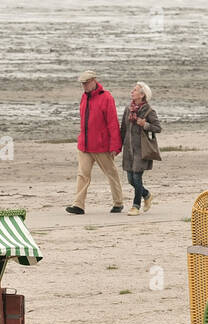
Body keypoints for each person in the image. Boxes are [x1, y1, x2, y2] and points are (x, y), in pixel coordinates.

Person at [66, 70, 125, 215]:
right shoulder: (84, 97)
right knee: (82, 175)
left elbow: (112, 123)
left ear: (93, 81)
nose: (84, 86)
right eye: (82, 84)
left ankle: (118, 202)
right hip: (84, 145)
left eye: (86, 83)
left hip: (102, 146)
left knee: (111, 173)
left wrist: (115, 146)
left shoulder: (106, 97)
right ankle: (78, 205)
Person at [119, 81, 162, 215]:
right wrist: (118, 146)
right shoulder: (128, 109)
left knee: (137, 178)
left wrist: (145, 125)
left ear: (142, 95)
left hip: (141, 150)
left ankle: (135, 206)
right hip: (128, 150)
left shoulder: (148, 110)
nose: (132, 92)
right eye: (133, 90)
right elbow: (123, 129)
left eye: (135, 90)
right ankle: (147, 195)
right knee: (131, 179)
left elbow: (158, 128)